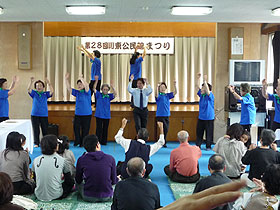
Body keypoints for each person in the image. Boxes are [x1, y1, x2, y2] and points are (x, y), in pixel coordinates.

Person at [76, 135, 118, 202]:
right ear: (97, 145)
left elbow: (78, 180)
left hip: (88, 196)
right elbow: (114, 181)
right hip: (107, 196)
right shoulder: (110, 158)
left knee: (77, 184)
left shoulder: (81, 159)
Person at [32, 135, 74, 201]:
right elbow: (69, 181)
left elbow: (35, 179)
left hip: (38, 194)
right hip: (56, 195)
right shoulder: (62, 160)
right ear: (56, 146)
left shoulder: (36, 160)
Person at [65, 73, 92, 147]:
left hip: (87, 114)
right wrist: (66, 79)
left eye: (81, 84)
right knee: (76, 128)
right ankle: (77, 141)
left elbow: (87, 86)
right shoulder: (77, 92)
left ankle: (83, 143)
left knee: (85, 130)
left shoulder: (87, 92)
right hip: (78, 114)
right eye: (78, 84)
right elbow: (69, 89)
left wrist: (81, 78)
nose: (79, 85)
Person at [28, 77, 53, 147]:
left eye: (40, 85)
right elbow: (29, 90)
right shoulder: (34, 93)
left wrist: (49, 83)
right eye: (37, 86)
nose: (39, 87)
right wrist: (31, 82)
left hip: (44, 114)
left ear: (43, 87)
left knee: (45, 129)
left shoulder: (45, 94)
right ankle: (36, 143)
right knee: (36, 130)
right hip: (34, 114)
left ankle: (45, 143)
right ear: (35, 87)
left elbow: (52, 92)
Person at [93, 76, 116, 145]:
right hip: (99, 114)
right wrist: (96, 81)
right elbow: (94, 88)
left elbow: (115, 94)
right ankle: (98, 141)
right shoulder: (98, 95)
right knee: (98, 129)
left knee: (105, 129)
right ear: (101, 89)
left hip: (106, 115)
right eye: (104, 89)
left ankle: (104, 141)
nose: (105, 91)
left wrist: (112, 86)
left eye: (106, 89)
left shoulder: (109, 96)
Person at [195, 74, 215, 150]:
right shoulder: (202, 95)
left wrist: (205, 81)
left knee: (209, 133)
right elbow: (197, 87)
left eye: (203, 88)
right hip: (201, 117)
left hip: (209, 117)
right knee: (199, 132)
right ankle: (198, 145)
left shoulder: (210, 96)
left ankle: (208, 146)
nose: (201, 89)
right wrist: (198, 78)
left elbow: (207, 90)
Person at [155, 81, 177, 147]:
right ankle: (161, 142)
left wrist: (175, 85)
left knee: (166, 129)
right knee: (161, 130)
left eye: (163, 87)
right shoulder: (159, 95)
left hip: (166, 115)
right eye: (161, 87)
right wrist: (157, 87)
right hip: (159, 115)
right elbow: (156, 94)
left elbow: (175, 93)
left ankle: (163, 141)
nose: (162, 88)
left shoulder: (167, 95)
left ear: (166, 88)